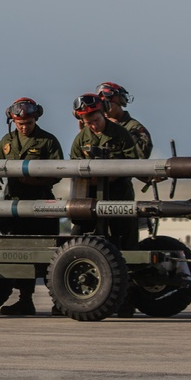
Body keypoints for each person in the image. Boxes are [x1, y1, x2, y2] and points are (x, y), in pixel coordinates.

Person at [0, 98, 64, 316]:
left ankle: (59, 301)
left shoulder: (48, 141)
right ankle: (25, 299)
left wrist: (35, 182)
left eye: (28, 123)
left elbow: (57, 172)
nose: (23, 127)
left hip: (41, 204)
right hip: (14, 204)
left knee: (50, 256)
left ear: (36, 118)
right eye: (19, 123)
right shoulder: (8, 140)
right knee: (20, 253)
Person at [70, 93, 139, 317]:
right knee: (78, 238)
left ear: (104, 113)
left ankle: (127, 299)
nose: (92, 124)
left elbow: (133, 163)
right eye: (87, 121)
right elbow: (72, 165)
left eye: (95, 119)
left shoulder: (121, 134)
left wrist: (112, 175)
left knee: (125, 242)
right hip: (89, 197)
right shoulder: (82, 138)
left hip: (118, 195)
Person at [97, 82, 153, 159]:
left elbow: (142, 155)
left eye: (108, 105)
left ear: (120, 103)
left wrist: (120, 130)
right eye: (102, 107)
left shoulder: (134, 127)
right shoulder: (99, 126)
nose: (105, 110)